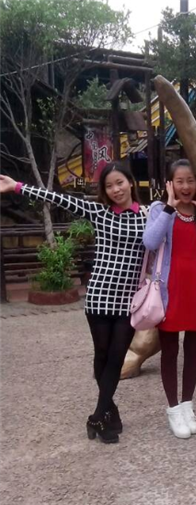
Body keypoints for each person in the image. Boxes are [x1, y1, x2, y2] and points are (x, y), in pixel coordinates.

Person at [0, 162, 146, 444]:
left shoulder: (149, 215)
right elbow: (58, 198)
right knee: (102, 355)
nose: (116, 190)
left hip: (129, 300)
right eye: (109, 186)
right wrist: (16, 186)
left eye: (120, 183)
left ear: (130, 182)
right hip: (100, 296)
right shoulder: (99, 212)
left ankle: (97, 415)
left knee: (117, 357)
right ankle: (108, 413)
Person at [143, 159, 196, 439]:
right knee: (170, 352)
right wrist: (169, 208)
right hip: (170, 292)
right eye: (180, 181)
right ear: (170, 184)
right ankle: (173, 409)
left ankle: (188, 405)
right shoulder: (159, 209)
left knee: (193, 350)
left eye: (190, 180)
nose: (186, 186)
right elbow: (150, 242)